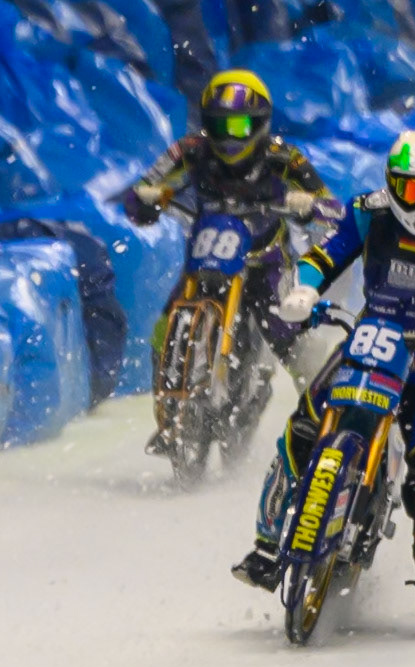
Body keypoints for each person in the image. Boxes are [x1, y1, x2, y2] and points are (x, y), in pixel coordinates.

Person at [231, 128, 415, 635]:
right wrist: (304, 290)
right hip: (369, 339)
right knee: (301, 427)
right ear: (391, 183)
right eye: (411, 188)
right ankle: (267, 544)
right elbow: (323, 255)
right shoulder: (367, 211)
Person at [124, 68, 343, 455]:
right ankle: (168, 416)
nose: (229, 136)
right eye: (219, 125)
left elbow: (333, 208)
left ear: (258, 125)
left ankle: (330, 421)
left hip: (264, 261)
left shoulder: (284, 157)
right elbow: (143, 187)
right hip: (206, 258)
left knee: (293, 339)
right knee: (161, 328)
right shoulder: (188, 149)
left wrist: (306, 204)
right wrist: (147, 197)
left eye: (240, 126)